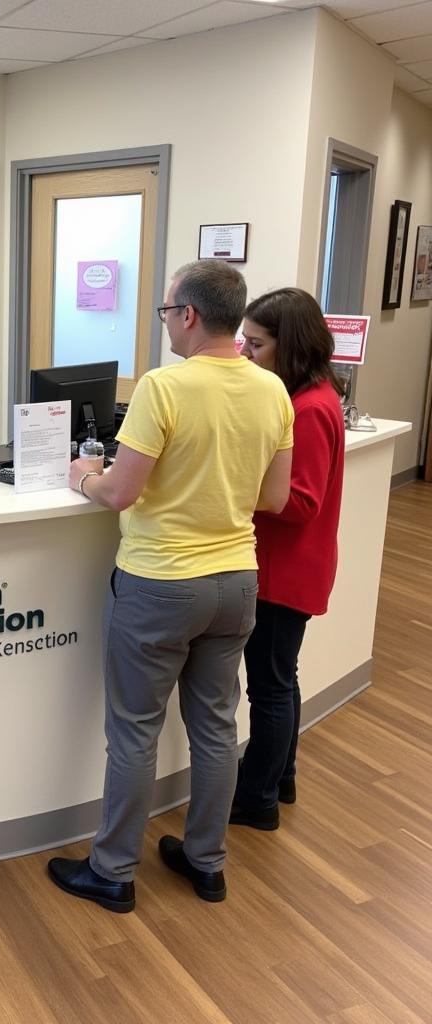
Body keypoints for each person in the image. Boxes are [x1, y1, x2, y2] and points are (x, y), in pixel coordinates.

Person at [48, 260, 294, 913]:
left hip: (160, 581)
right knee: (216, 725)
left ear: (187, 315)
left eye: (164, 311)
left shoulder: (163, 387)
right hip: (237, 579)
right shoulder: (272, 390)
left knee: (134, 730)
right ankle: (206, 862)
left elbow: (119, 492)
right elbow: (273, 496)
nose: (164, 322)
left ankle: (113, 870)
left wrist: (82, 475)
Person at [230, 288, 346, 829]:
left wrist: (230, 483)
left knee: (270, 686)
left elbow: (300, 502)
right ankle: (282, 776)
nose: (244, 353)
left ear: (289, 346)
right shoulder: (306, 397)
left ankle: (256, 800)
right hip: (289, 565)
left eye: (255, 344)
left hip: (284, 570)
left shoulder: (310, 408)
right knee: (282, 678)